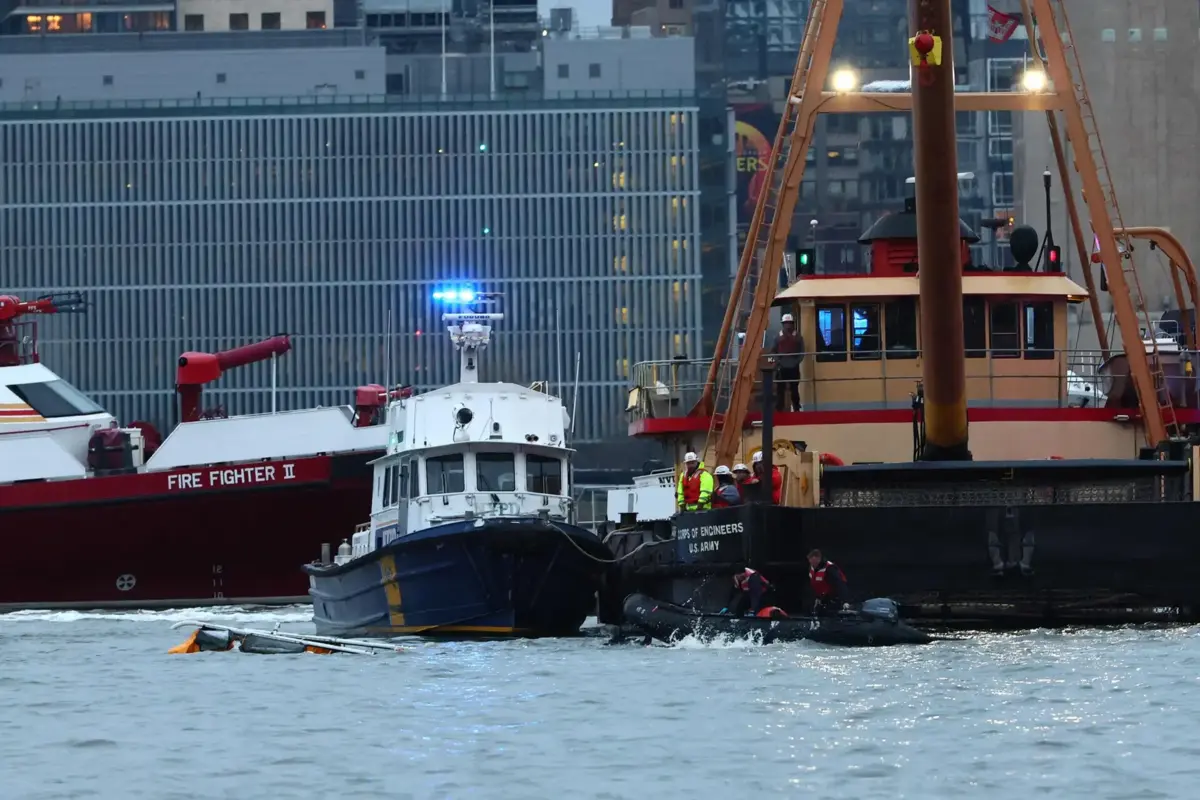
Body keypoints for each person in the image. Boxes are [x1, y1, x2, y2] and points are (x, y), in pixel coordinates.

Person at [770, 313, 804, 412]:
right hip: (782, 367)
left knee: (794, 390)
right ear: (783, 324)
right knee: (780, 390)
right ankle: (779, 409)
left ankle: (796, 408)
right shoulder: (778, 337)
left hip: (794, 367)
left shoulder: (798, 337)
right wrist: (777, 361)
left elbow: (802, 351)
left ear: (792, 324)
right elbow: (773, 351)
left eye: (789, 323)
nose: (788, 325)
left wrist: (796, 361)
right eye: (786, 323)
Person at [807, 549, 849, 614]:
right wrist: (817, 598)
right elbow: (814, 585)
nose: (811, 564)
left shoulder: (830, 568)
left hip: (833, 600)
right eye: (810, 562)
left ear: (818, 559)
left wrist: (845, 601)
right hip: (821, 600)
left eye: (813, 562)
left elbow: (840, 584)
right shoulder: (812, 567)